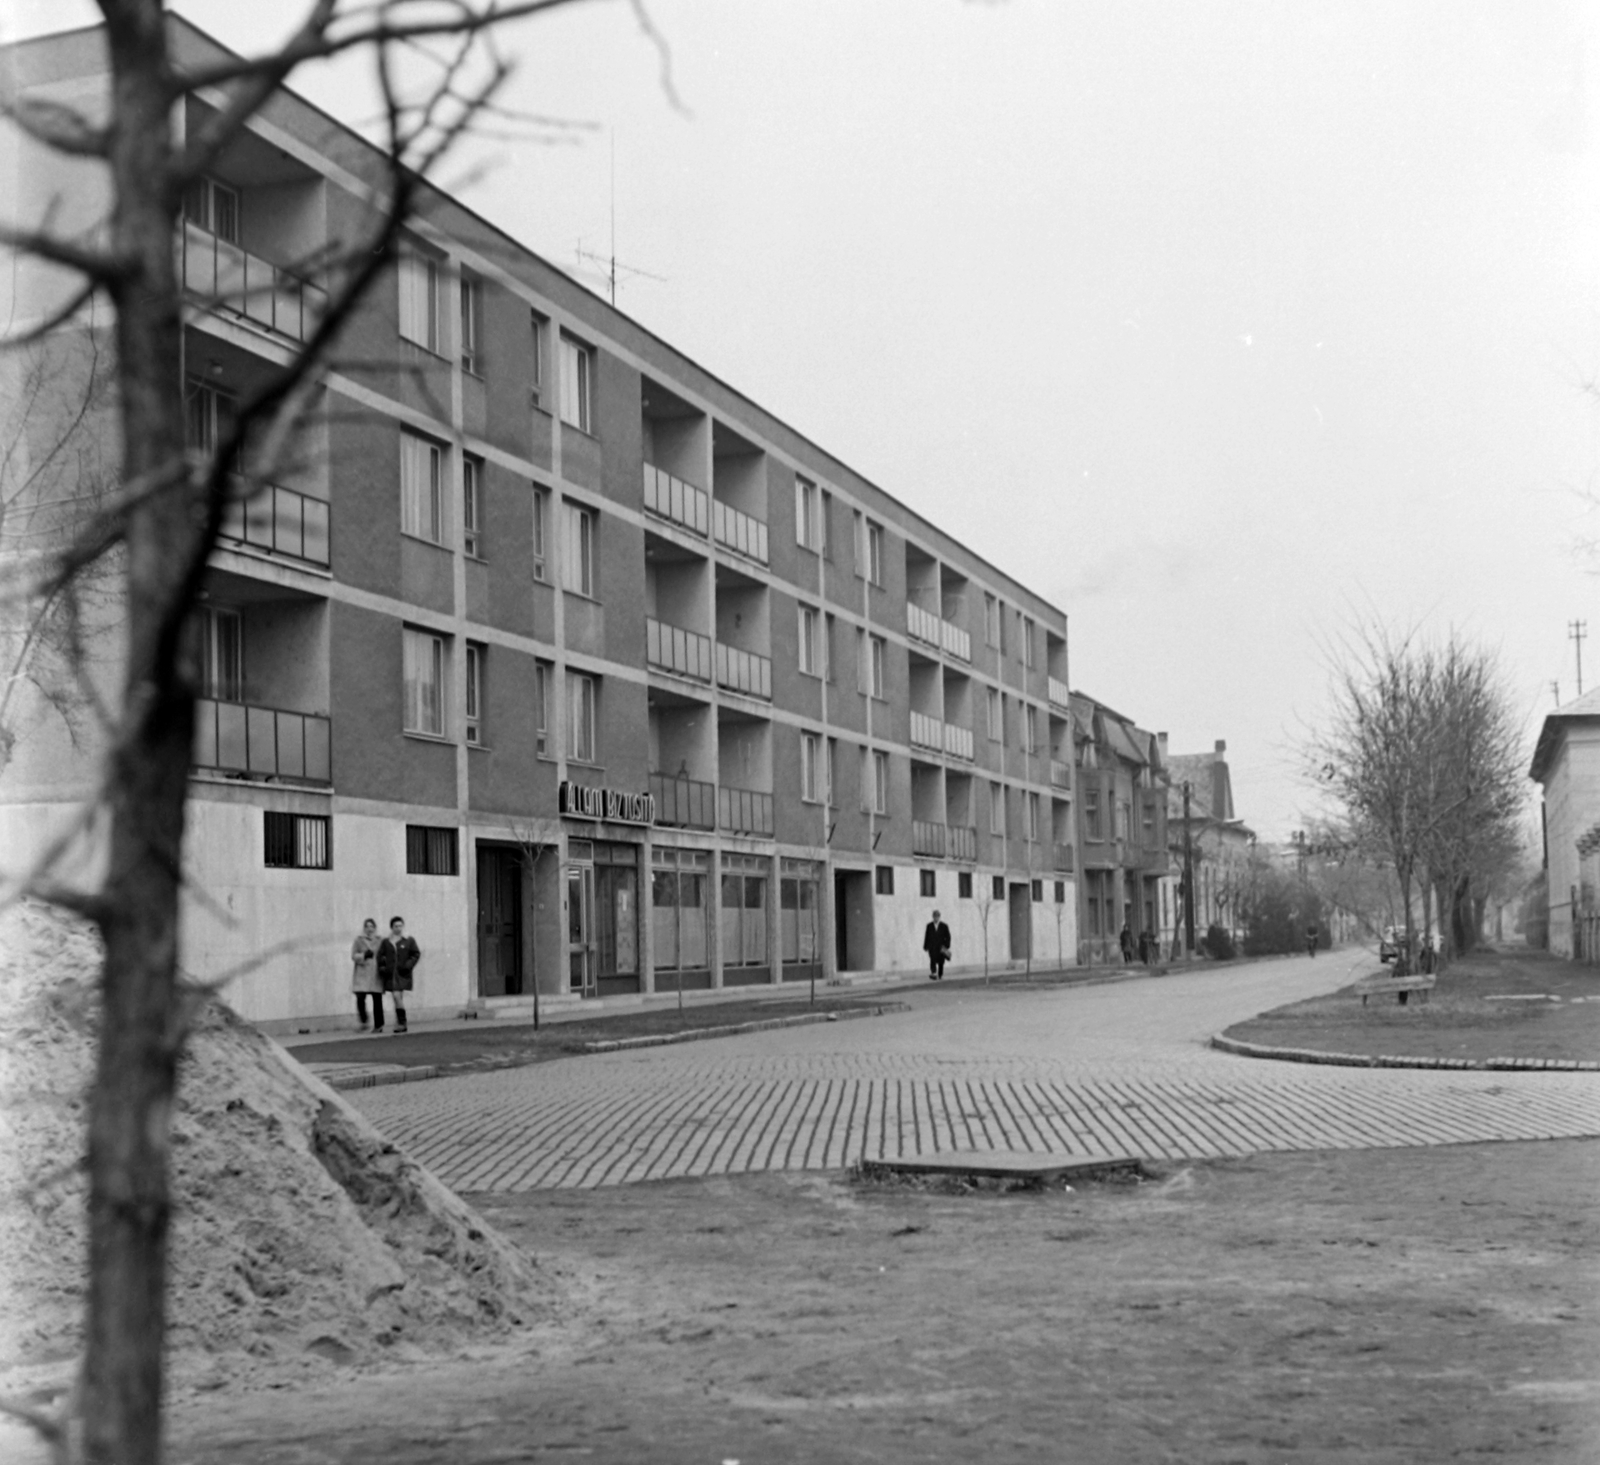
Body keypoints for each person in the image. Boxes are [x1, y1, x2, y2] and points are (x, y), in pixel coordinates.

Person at [377, 916, 421, 1034]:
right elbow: (381, 956)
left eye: (400, 926)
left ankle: (402, 1022)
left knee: (397, 996)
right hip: (391, 974)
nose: (398, 928)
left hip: (403, 973)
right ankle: (399, 1021)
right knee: (397, 997)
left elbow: (415, 954)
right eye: (396, 926)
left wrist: (408, 965)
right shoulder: (386, 942)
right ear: (392, 927)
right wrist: (382, 967)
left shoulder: (408, 940)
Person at [351, 917, 383, 1032]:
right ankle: (364, 1021)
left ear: (375, 928)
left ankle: (379, 1025)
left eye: (371, 926)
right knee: (360, 998)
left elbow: (384, 954)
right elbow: (353, 955)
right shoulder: (358, 940)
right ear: (364, 928)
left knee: (377, 998)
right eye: (367, 926)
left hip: (375, 972)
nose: (369, 929)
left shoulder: (380, 940)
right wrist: (364, 955)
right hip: (362, 972)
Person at [923, 910, 952, 980]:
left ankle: (940, 974)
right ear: (933, 917)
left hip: (941, 946)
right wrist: (925, 946)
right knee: (932, 959)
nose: (936, 918)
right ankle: (934, 973)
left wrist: (946, 945)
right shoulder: (929, 926)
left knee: (941, 961)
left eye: (937, 917)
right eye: (934, 917)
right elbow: (927, 936)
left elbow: (948, 936)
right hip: (932, 946)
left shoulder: (944, 926)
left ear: (939, 917)